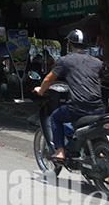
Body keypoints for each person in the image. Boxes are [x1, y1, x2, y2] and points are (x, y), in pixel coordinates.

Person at [34, 29, 104, 159]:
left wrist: (41, 90)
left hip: (78, 107)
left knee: (55, 117)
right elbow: (97, 81)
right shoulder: (97, 62)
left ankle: (60, 151)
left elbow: (49, 79)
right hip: (98, 108)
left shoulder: (65, 61)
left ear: (69, 44)